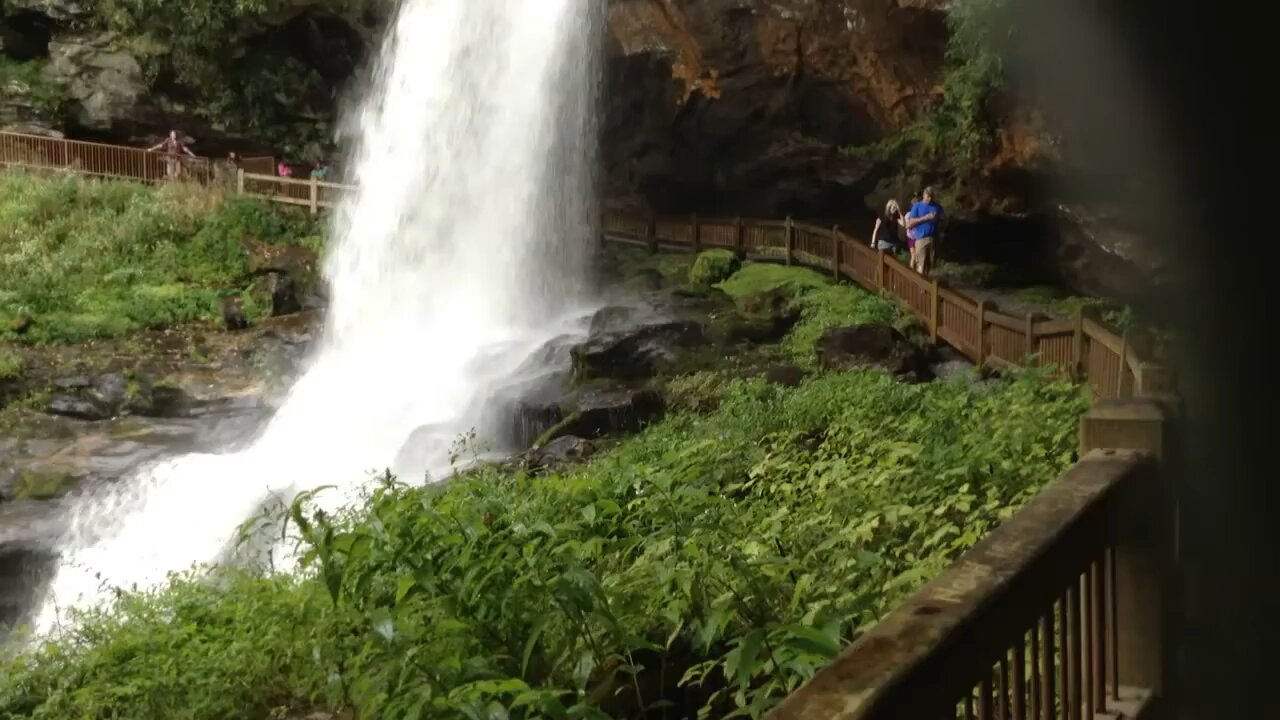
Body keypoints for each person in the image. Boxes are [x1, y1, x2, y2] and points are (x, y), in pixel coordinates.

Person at [905, 186, 943, 276]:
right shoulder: (917, 206)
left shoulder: (937, 207)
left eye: (931, 196)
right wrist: (925, 218)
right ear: (924, 195)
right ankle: (920, 287)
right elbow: (909, 223)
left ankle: (928, 288)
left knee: (931, 266)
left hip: (934, 238)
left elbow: (943, 221)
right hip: (921, 238)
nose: (929, 198)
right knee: (921, 265)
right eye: (928, 196)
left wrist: (938, 219)